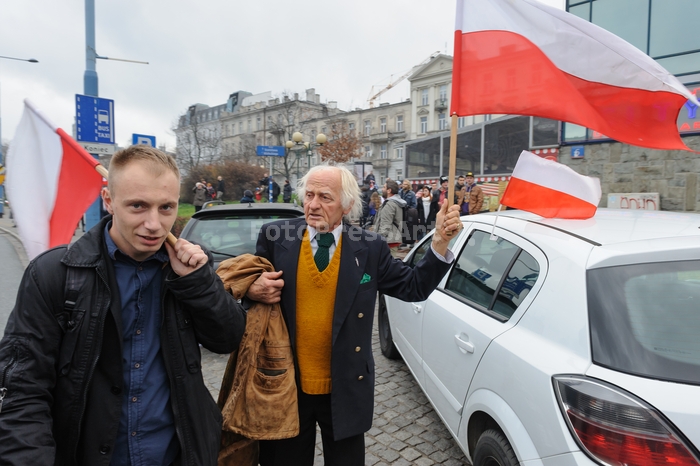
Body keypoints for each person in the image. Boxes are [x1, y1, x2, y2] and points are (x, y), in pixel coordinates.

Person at [0, 145, 246, 465]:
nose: (154, 224)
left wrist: (198, 283)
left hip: (178, 454)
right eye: (138, 206)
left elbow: (227, 338)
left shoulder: (188, 267)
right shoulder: (55, 275)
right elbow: (22, 391)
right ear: (109, 202)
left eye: (166, 207)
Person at [247, 164, 462, 466]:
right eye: (309, 195)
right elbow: (249, 290)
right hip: (286, 386)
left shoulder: (370, 247)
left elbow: (413, 286)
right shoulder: (274, 236)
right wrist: (253, 289)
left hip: (346, 386)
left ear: (347, 205)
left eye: (325, 197)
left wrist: (439, 241)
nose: (313, 205)